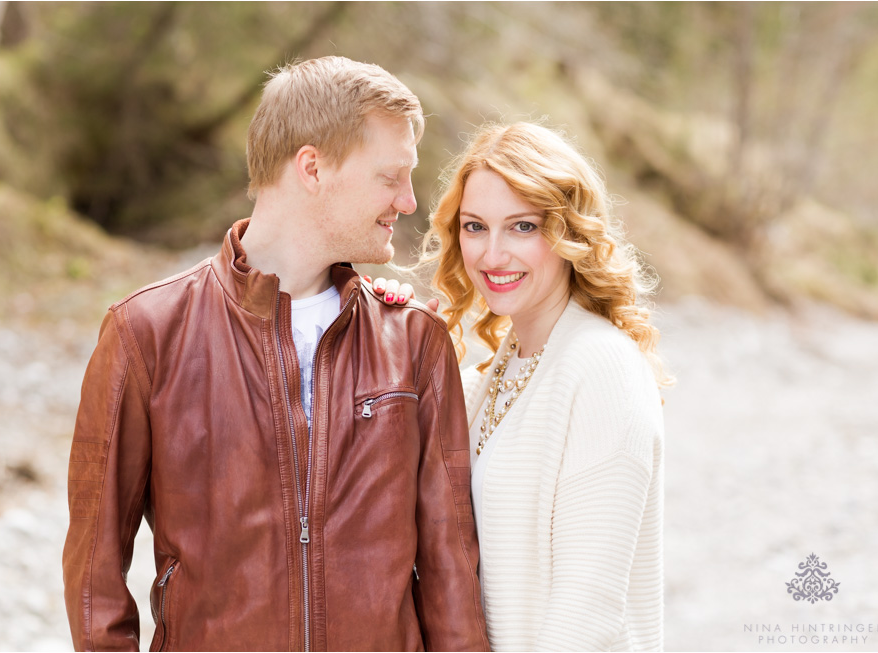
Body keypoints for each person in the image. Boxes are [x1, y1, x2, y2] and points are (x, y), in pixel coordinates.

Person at [62, 56, 489, 652]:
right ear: (312, 168)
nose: (410, 202)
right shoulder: (146, 333)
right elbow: (95, 572)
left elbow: (449, 569)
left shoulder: (414, 339)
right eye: (391, 177)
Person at [378, 121, 669, 651]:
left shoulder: (601, 367)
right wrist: (384, 334)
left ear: (568, 234)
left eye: (522, 227)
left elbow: (590, 615)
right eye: (474, 227)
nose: (491, 256)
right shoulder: (495, 375)